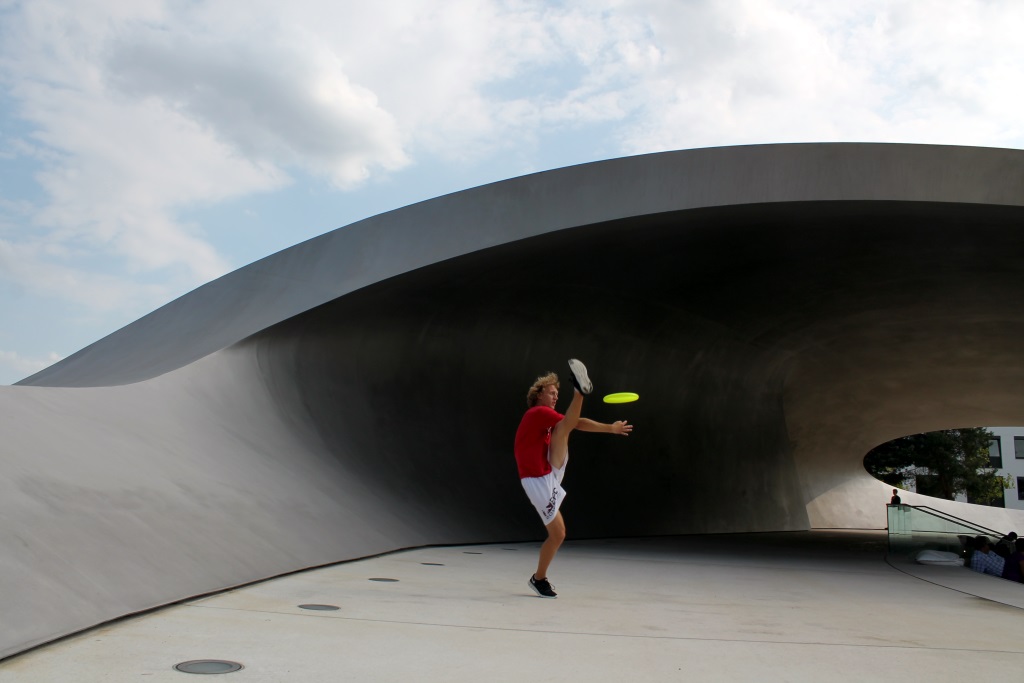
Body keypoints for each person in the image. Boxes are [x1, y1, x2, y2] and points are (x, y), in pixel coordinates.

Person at [514, 359, 633, 598]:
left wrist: (610, 428)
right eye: (552, 393)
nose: (555, 396)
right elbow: (570, 422)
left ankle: (580, 390)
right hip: (536, 479)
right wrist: (580, 397)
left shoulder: (547, 418)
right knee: (558, 534)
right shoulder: (536, 412)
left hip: (549, 471)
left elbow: (575, 422)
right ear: (539, 395)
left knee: (563, 428)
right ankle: (539, 578)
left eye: (558, 393)